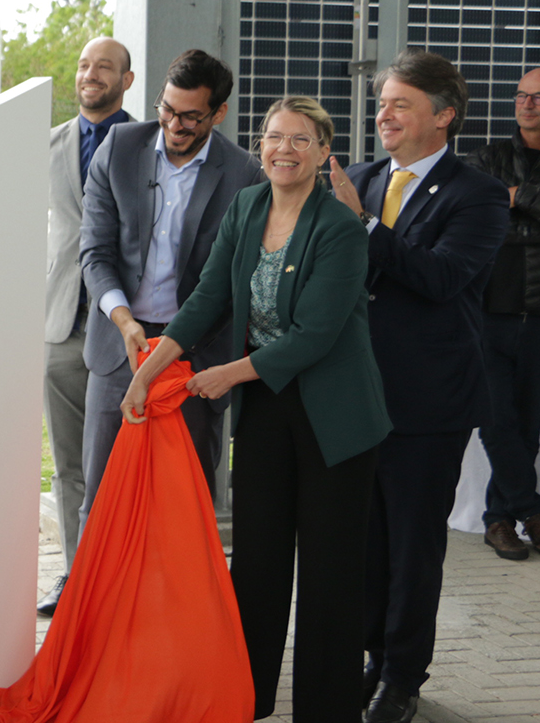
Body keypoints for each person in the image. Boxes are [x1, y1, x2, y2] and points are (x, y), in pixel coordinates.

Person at [121, 96, 392, 722]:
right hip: (266, 409)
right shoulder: (246, 206)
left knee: (328, 575)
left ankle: (325, 710)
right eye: (274, 138)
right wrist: (150, 372)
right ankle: (245, 698)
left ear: (326, 152)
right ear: (260, 146)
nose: (284, 150)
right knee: (260, 565)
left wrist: (223, 376)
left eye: (301, 140)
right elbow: (208, 296)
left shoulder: (341, 227)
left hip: (336, 417)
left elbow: (315, 335)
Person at [328, 49, 509, 723]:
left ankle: (402, 678)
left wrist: (365, 226)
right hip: (355, 395)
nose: (384, 114)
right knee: (365, 539)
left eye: (400, 103)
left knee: (412, 545)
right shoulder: (365, 177)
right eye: (381, 102)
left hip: (429, 399)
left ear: (443, 116)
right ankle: (370, 654)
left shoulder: (479, 193)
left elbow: (440, 279)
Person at [78, 48, 260, 533]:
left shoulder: (244, 174)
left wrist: (176, 343)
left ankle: (176, 607)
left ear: (218, 113)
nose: (173, 125)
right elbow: (95, 253)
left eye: (190, 117)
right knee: (101, 497)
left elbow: (226, 284)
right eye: (166, 109)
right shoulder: (118, 147)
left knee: (185, 502)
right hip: (121, 347)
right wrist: (123, 319)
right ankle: (91, 600)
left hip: (197, 355)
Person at [37, 36, 134, 616]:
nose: (89, 74)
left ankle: (124, 580)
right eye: (83, 65)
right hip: (59, 325)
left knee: (120, 468)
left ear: (126, 79)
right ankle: (78, 579)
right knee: (70, 467)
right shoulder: (47, 145)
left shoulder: (147, 144)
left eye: (104, 66)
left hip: (122, 329)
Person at [464, 65, 540, 560]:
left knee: (526, 424)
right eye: (522, 96)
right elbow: (480, 214)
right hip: (487, 311)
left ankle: (499, 520)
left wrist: (518, 197)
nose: (528, 104)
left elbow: (508, 208)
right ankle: (534, 516)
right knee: (496, 420)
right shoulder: (487, 157)